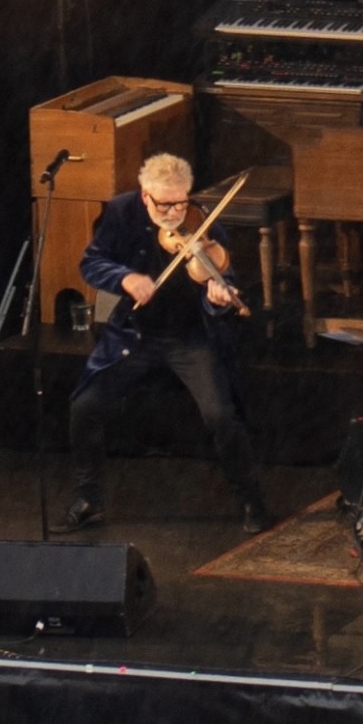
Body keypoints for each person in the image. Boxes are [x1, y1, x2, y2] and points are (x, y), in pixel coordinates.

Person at [57, 154, 271, 534]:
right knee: (84, 406)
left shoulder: (204, 221)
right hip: (134, 334)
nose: (174, 214)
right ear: (145, 196)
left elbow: (225, 279)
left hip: (190, 337)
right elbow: (91, 263)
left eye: (181, 203)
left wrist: (218, 298)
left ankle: (252, 501)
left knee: (221, 416)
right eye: (164, 204)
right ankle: (89, 500)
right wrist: (124, 278)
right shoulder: (121, 212)